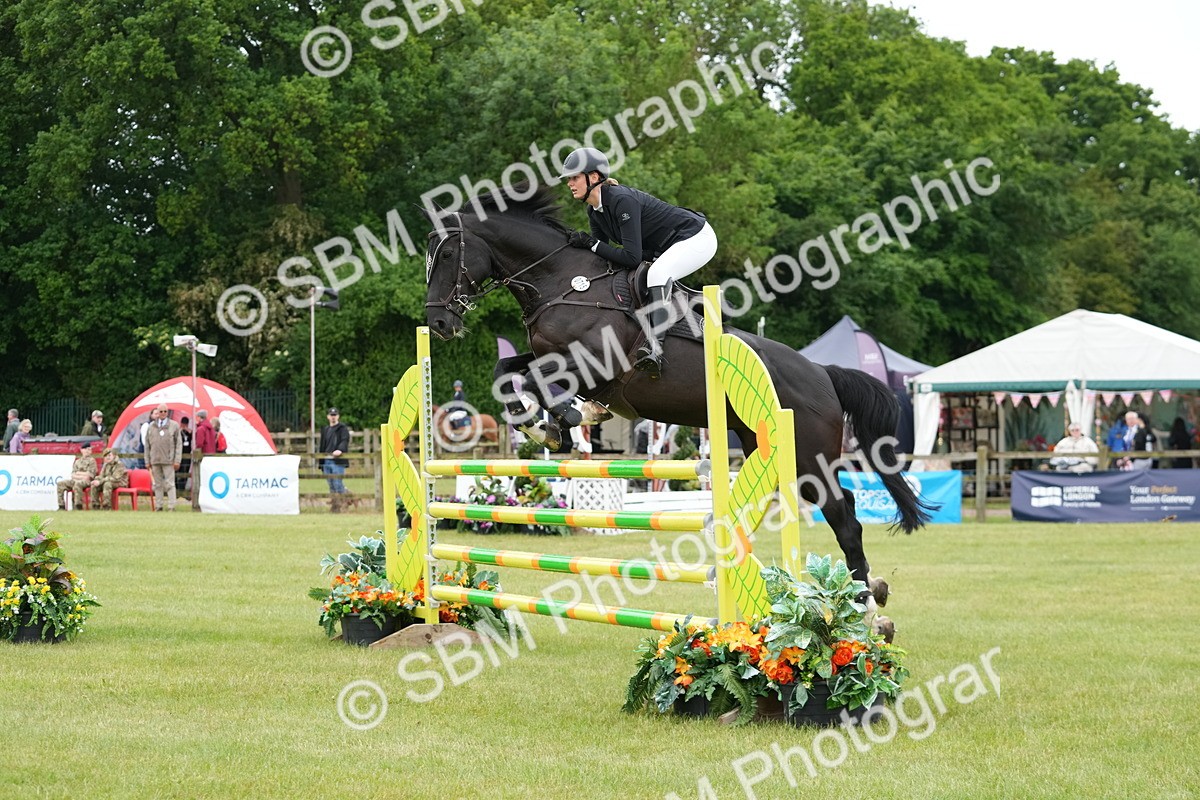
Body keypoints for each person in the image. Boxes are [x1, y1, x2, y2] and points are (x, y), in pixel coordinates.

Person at [559, 146, 717, 377]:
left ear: (593, 177)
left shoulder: (622, 200)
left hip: (696, 237)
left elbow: (631, 257)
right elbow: (604, 256)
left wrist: (591, 243)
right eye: (569, 179)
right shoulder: (595, 212)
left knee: (658, 274)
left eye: (574, 177)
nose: (569, 183)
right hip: (666, 247)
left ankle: (656, 348)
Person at [144, 404, 183, 510]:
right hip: (155, 460)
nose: (162, 414)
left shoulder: (174, 425)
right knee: (157, 485)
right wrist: (147, 460)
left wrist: (177, 460)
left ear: (167, 412)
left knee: (170, 484)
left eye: (165, 411)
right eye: (160, 411)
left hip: (169, 460)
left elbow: (178, 444)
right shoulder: (151, 426)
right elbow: (147, 445)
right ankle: (159, 505)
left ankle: (172, 506)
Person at [319, 407, 350, 513]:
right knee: (331, 484)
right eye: (331, 415)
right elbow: (322, 445)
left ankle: (343, 502)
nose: (333, 417)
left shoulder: (342, 428)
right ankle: (337, 505)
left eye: (335, 415)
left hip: (337, 460)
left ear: (338, 416)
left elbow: (344, 440)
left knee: (337, 483)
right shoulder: (326, 430)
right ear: (328, 417)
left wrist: (340, 450)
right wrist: (320, 461)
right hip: (326, 460)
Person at [56, 442, 98, 510]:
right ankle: (61, 506)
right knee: (60, 484)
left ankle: (78, 506)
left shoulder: (92, 461)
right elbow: (73, 475)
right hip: (76, 480)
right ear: (82, 450)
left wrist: (78, 473)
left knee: (77, 484)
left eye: (89, 449)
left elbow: (90, 475)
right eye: (86, 449)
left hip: (87, 482)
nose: (88, 451)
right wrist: (82, 474)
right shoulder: (77, 462)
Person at [191, 410, 216, 510]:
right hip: (211, 454)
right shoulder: (211, 428)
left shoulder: (201, 429)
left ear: (199, 417)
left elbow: (199, 443)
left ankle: (198, 503)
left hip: (203, 456)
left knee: (199, 479)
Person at [177, 416, 193, 497]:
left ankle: (182, 488)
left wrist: (188, 431)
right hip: (179, 454)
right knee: (178, 471)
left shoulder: (189, 432)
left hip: (187, 453)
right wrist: (180, 430)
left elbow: (192, 437)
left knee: (185, 471)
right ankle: (177, 489)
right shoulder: (178, 431)